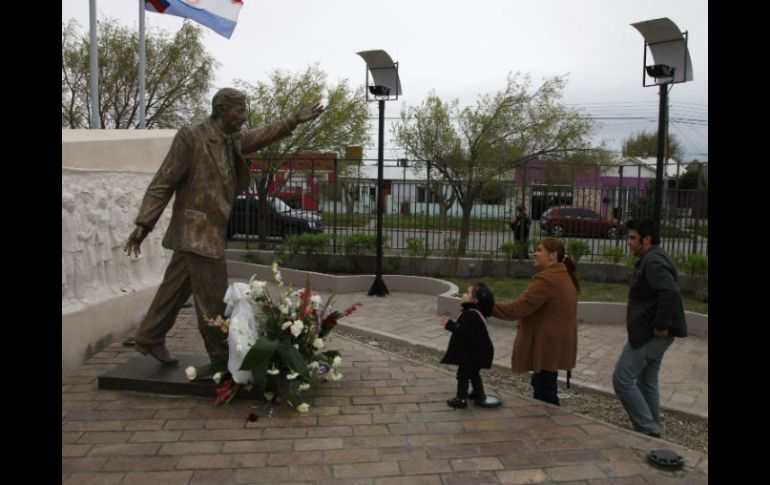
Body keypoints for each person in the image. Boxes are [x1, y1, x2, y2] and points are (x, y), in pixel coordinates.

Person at [124, 87, 324, 367]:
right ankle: (222, 360)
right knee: (213, 300)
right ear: (221, 110)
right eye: (239, 110)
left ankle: (149, 336)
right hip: (197, 232)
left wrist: (292, 121)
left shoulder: (232, 140)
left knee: (174, 289)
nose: (243, 116)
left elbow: (260, 135)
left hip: (207, 232)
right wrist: (144, 224)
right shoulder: (191, 137)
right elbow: (164, 181)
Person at [612, 218, 687, 438]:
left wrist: (660, 326)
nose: (628, 242)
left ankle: (648, 428)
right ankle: (653, 427)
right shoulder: (653, 257)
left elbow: (669, 292)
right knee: (647, 379)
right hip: (653, 332)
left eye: (633, 238)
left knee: (622, 379)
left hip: (651, 334)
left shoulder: (653, 261)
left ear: (647, 239)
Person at [491, 238, 579, 406]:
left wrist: (488, 306)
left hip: (547, 344)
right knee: (543, 383)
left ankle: (550, 428)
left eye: (539, 250)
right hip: (555, 342)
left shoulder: (547, 280)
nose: (534, 254)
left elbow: (519, 308)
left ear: (553, 255)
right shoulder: (563, 274)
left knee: (546, 393)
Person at [440, 283, 495, 409]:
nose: (463, 294)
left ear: (475, 300)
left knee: (463, 375)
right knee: (474, 373)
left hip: (472, 354)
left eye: (467, 293)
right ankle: (478, 394)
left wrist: (450, 324)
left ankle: (461, 399)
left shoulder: (470, 314)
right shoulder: (475, 312)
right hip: (478, 353)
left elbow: (465, 331)